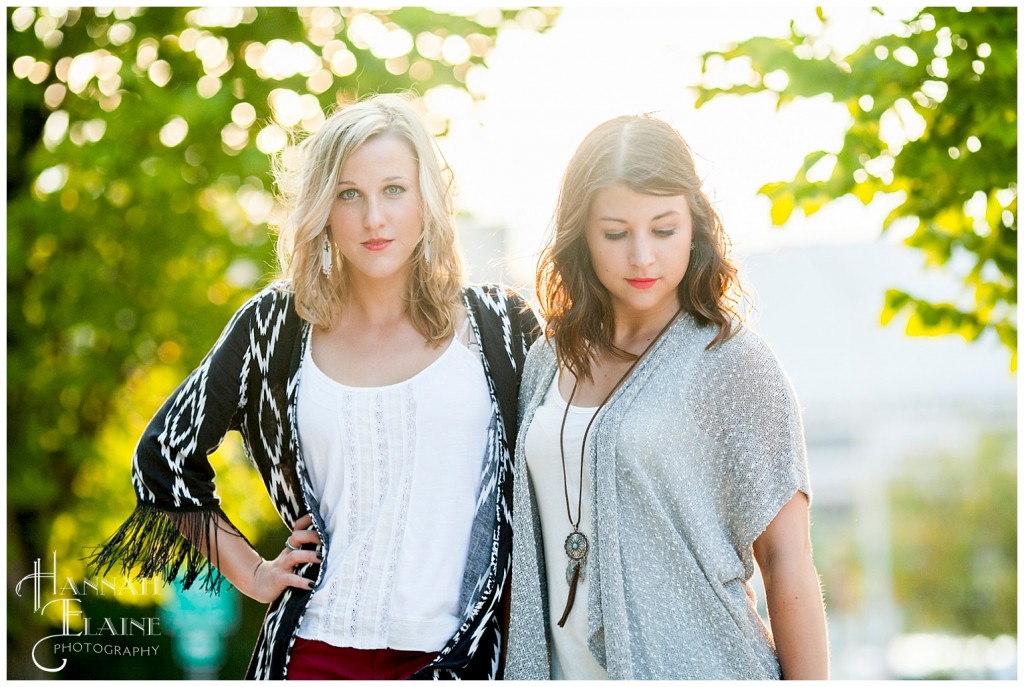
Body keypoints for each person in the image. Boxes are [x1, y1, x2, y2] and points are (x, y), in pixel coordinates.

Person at [90, 93, 540, 679]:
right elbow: (164, 456)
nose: (373, 218)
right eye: (349, 194)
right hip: (314, 651)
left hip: (464, 656)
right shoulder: (277, 326)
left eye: (394, 190)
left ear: (428, 198)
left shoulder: (500, 327)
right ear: (323, 207)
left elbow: (562, 467)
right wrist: (252, 572)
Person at [505, 114, 829, 679]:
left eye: (663, 229)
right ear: (581, 232)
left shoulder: (733, 364)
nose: (641, 257)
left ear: (695, 227)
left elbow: (788, 564)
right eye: (614, 232)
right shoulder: (545, 362)